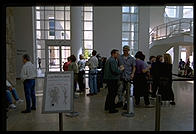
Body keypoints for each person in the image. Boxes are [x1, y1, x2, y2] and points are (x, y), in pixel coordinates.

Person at [104, 49, 124, 113]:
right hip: (112, 79)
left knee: (110, 94)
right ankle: (111, 109)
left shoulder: (109, 59)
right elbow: (114, 70)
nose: (118, 55)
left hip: (109, 79)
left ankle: (107, 106)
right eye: (117, 54)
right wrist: (121, 70)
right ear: (113, 54)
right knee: (112, 94)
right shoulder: (113, 60)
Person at [117, 45, 136, 109]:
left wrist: (132, 74)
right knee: (120, 90)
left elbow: (134, 67)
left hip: (128, 77)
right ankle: (120, 101)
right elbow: (117, 66)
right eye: (124, 50)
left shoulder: (132, 58)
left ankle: (126, 103)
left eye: (126, 50)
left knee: (127, 91)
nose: (125, 51)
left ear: (128, 50)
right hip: (121, 77)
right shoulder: (120, 58)